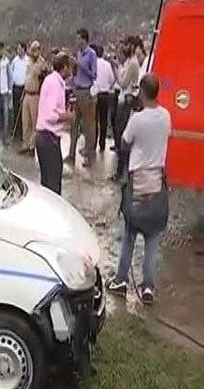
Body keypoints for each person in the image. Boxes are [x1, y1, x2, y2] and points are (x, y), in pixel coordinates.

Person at [107, 75, 170, 305]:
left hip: (138, 181)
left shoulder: (137, 119)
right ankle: (148, 288)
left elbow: (124, 143)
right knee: (152, 236)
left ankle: (121, 280)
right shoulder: (166, 116)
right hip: (157, 181)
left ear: (143, 92)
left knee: (130, 233)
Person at [35, 52, 74, 195]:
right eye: (69, 67)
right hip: (48, 137)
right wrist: (67, 117)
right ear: (64, 67)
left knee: (49, 183)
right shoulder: (54, 84)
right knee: (52, 185)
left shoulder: (55, 82)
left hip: (47, 137)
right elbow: (50, 115)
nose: (71, 71)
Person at [67, 28, 98, 168]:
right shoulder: (78, 53)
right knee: (74, 123)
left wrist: (81, 66)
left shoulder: (91, 54)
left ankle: (89, 157)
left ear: (84, 39)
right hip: (77, 90)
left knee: (88, 126)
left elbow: (94, 75)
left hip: (87, 92)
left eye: (79, 39)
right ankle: (71, 154)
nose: (77, 41)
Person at [112, 43, 140, 181]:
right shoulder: (127, 64)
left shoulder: (132, 65)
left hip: (126, 101)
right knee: (119, 132)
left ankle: (122, 171)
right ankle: (122, 169)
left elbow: (123, 83)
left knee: (123, 134)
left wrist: (116, 68)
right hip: (122, 99)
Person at [20, 40, 46, 155]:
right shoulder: (29, 61)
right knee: (25, 121)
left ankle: (32, 146)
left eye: (36, 49)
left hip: (35, 94)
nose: (34, 52)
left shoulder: (42, 63)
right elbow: (27, 77)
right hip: (27, 93)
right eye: (32, 49)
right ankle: (25, 144)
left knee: (34, 121)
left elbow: (43, 79)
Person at [93, 44, 116, 153]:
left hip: (95, 94)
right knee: (103, 120)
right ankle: (102, 144)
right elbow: (112, 80)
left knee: (94, 120)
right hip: (105, 94)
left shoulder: (93, 64)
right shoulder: (107, 65)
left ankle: (93, 143)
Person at [10, 41, 28, 143]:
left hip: (24, 88)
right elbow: (12, 72)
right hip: (15, 87)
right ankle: (15, 132)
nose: (18, 51)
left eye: (20, 49)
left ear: (24, 50)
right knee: (16, 109)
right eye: (18, 49)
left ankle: (22, 132)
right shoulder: (15, 60)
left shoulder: (27, 61)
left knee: (23, 111)